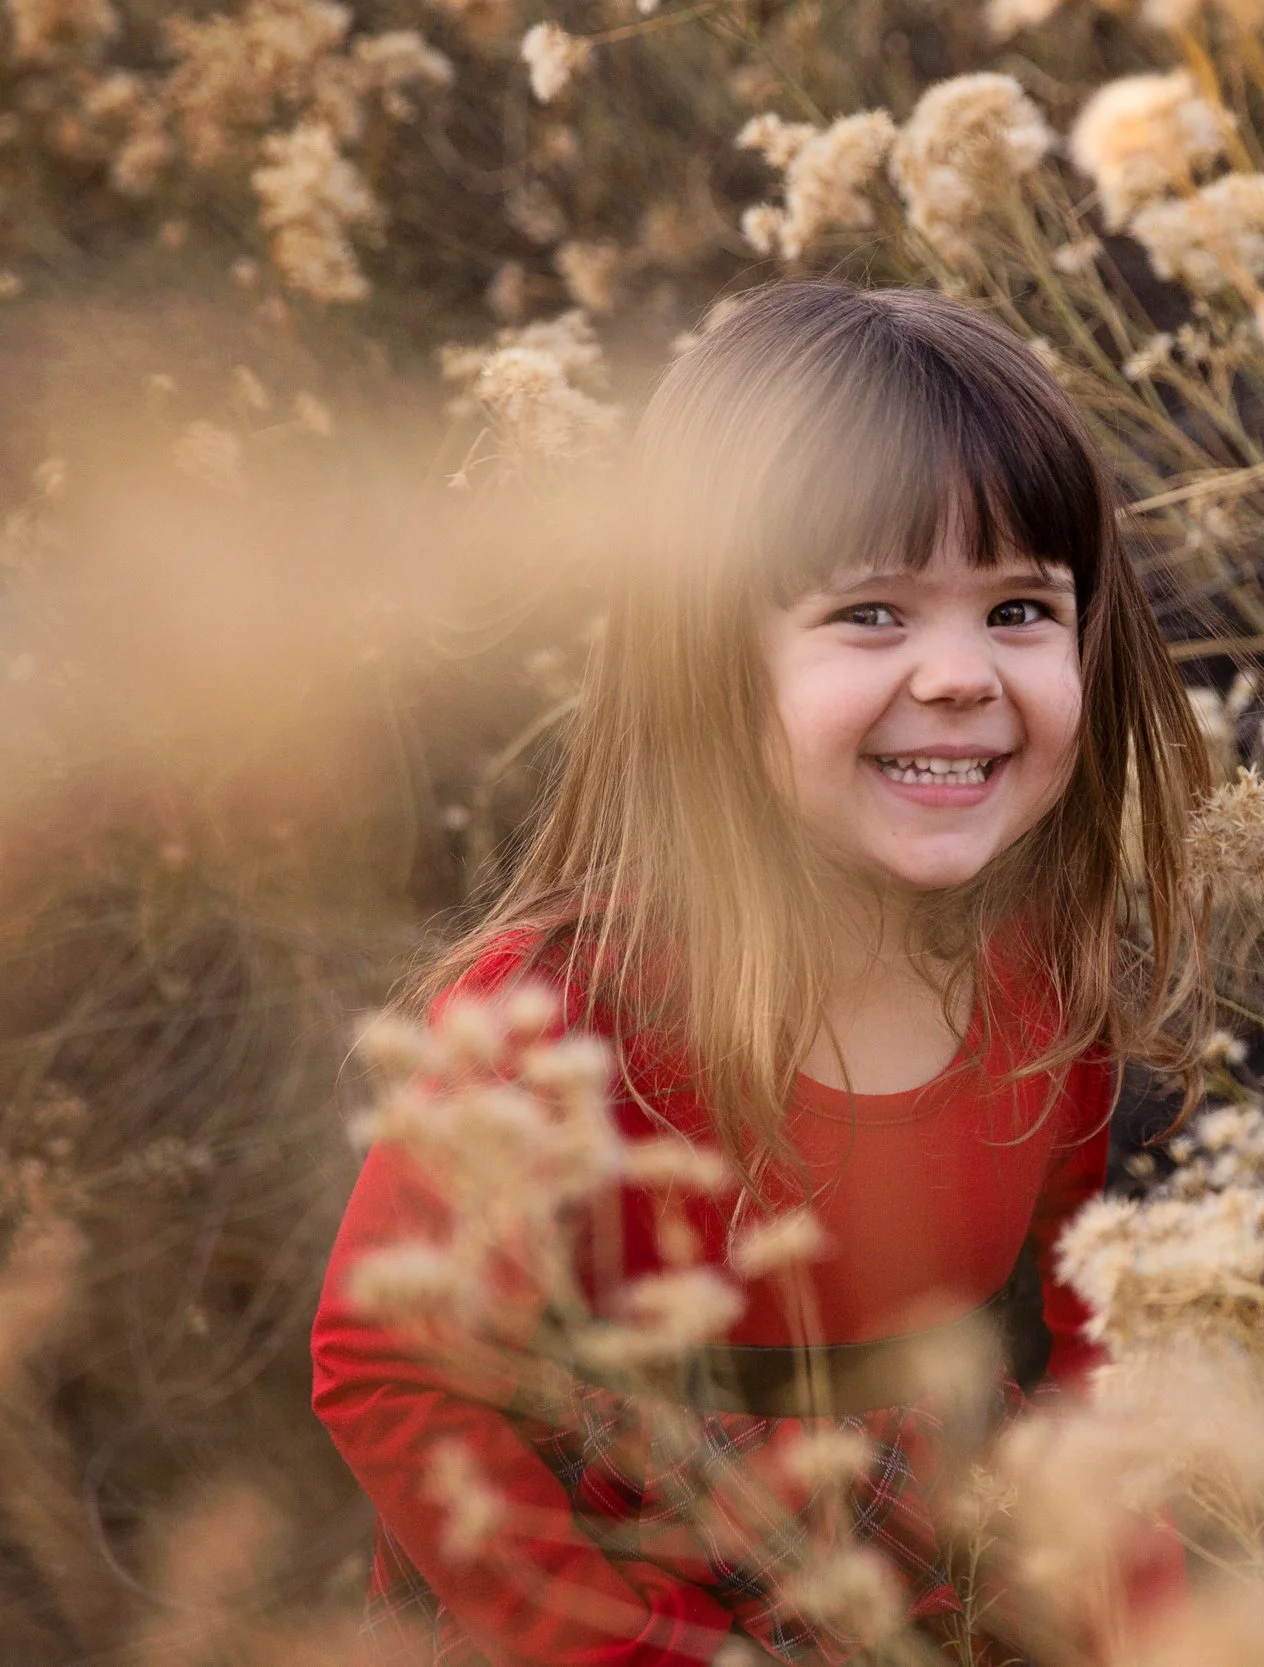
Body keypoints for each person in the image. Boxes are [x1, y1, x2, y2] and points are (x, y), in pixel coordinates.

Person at [310, 281, 1208, 1667]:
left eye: (1020, 607)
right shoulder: (557, 1017)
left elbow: (1080, 1332)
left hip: (906, 1586)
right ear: (706, 659)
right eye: (871, 612)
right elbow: (395, 1366)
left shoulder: (1042, 995)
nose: (962, 674)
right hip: (599, 1605)